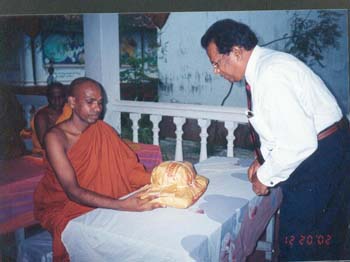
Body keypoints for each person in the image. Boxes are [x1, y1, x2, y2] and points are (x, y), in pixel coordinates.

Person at [201, 19, 350, 261]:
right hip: (327, 151)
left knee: (298, 242)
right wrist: (264, 159)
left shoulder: (270, 75)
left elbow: (299, 143)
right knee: (317, 239)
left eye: (216, 63)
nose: (216, 71)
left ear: (236, 52)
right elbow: (278, 127)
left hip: (320, 157)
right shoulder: (264, 68)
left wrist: (264, 176)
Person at [34, 77, 163, 261]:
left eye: (100, 103)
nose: (97, 108)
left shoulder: (103, 130)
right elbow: (72, 191)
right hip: (64, 204)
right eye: (90, 102)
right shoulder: (55, 137)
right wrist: (122, 205)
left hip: (102, 194)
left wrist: (160, 175)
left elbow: (128, 171)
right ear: (72, 102)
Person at [31, 82, 72, 154]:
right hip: (44, 155)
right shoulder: (42, 116)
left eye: (60, 97)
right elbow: (45, 145)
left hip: (68, 151)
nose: (57, 101)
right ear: (48, 98)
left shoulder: (70, 110)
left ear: (65, 97)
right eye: (53, 97)